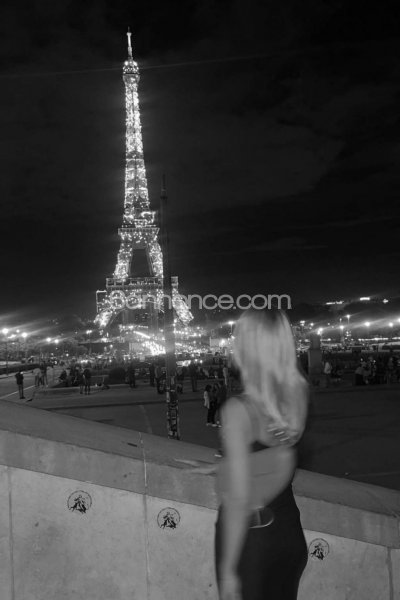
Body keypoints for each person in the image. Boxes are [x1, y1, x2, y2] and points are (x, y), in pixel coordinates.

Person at [215, 309, 308, 600]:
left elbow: (239, 501)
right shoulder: (297, 393)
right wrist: (227, 465)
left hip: (253, 544)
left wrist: (228, 569)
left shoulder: (238, 411)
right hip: (289, 533)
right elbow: (277, 456)